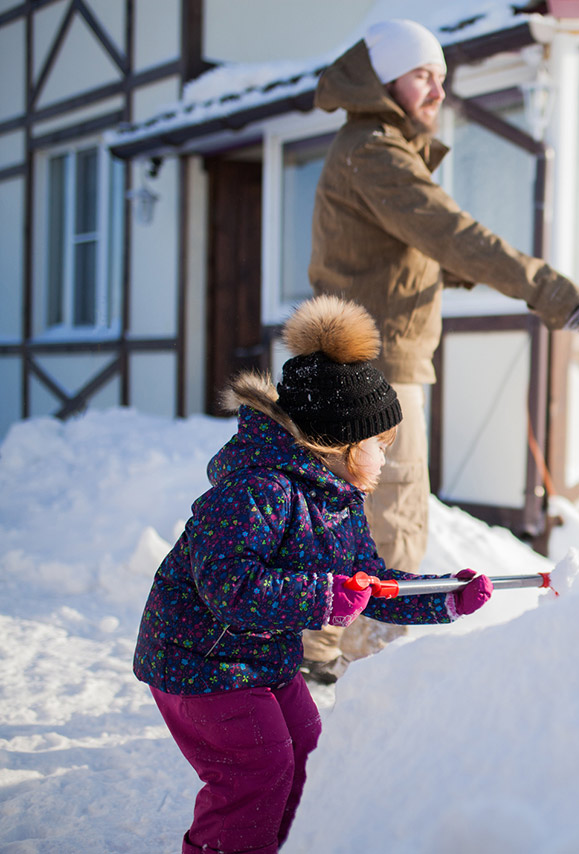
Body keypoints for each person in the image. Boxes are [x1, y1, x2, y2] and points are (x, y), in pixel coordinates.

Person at [133, 295, 494, 854]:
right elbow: (228, 588)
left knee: (306, 752)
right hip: (199, 662)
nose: (385, 458)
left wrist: (445, 597)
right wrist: (324, 597)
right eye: (378, 445)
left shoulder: (338, 500)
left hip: (264, 659)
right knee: (259, 769)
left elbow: (369, 585)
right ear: (336, 445)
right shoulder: (257, 489)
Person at [302, 17, 579, 680]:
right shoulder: (377, 151)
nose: (436, 89)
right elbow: (447, 231)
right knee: (393, 509)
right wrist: (548, 289)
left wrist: (464, 266)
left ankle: (319, 651)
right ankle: (377, 663)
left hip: (347, 360)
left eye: (441, 76)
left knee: (337, 511)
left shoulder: (366, 147)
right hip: (378, 366)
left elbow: (414, 247)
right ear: (384, 79)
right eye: (421, 75)